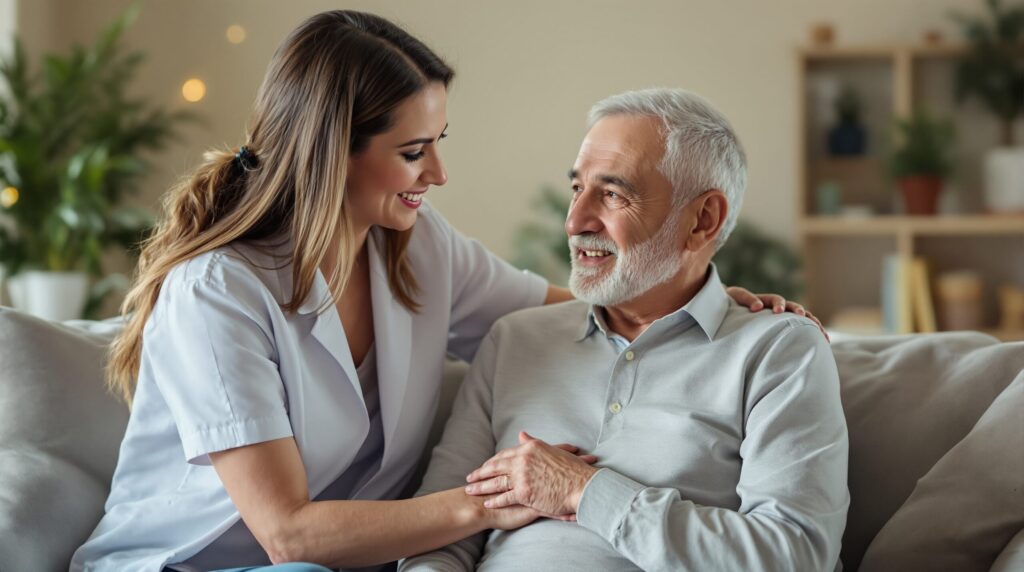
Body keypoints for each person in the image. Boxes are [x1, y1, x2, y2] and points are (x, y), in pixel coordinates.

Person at [70, 11, 815, 572]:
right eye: (412, 152)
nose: (437, 175)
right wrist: (518, 492)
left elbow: (584, 308)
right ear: (333, 154)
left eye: (439, 144)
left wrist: (704, 288)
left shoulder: (418, 249)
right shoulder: (217, 292)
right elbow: (287, 533)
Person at [401, 89, 849, 571]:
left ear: (703, 220)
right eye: (577, 189)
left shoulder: (779, 352)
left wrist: (584, 490)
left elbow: (795, 557)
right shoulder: (514, 340)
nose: (574, 222)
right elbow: (436, 536)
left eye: (613, 194)